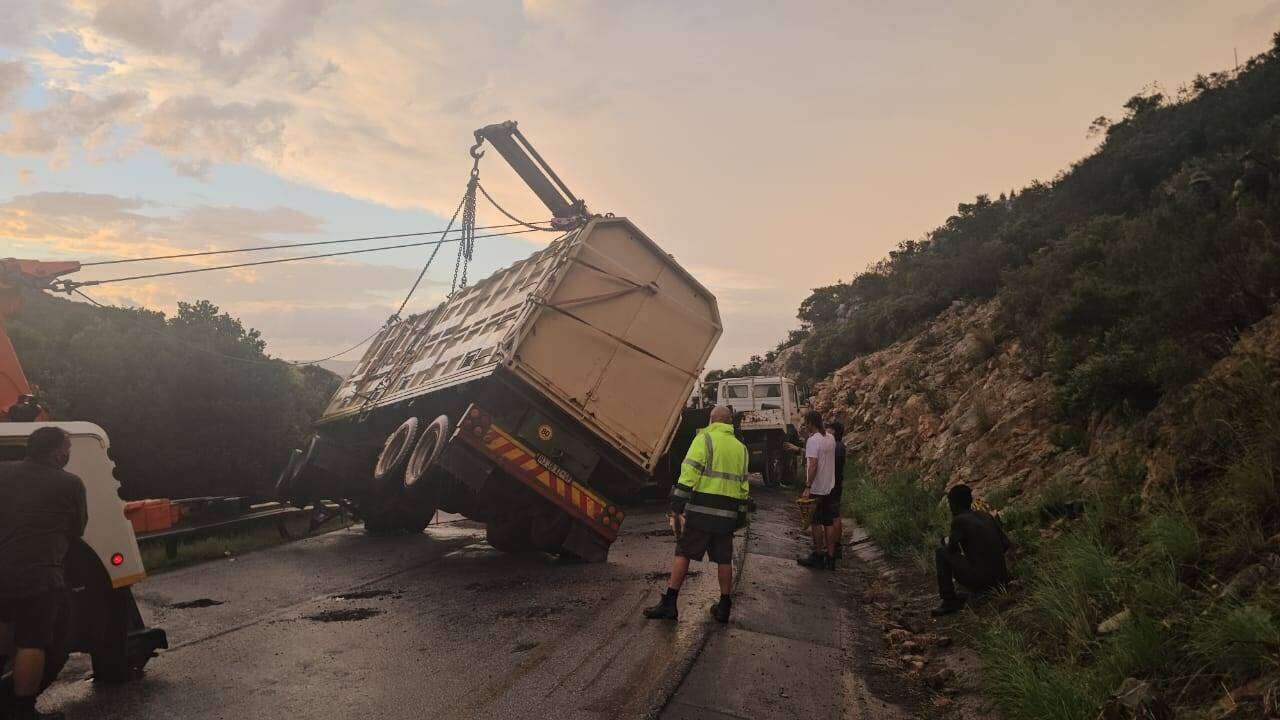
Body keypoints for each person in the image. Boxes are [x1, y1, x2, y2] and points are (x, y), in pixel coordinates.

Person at [0, 427, 87, 720]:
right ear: (58, 453)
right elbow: (77, 531)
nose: (68, 454)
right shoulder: (70, 484)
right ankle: (22, 711)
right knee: (31, 642)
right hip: (38, 577)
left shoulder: (2, 472)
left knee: (2, 632)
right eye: (67, 449)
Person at [644, 405, 749, 623]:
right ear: (729, 423)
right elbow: (743, 484)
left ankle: (670, 603)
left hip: (702, 510)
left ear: (712, 420)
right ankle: (724, 606)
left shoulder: (705, 439)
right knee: (724, 559)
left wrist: (677, 502)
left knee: (683, 552)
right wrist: (740, 512)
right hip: (728, 513)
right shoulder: (741, 448)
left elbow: (690, 470)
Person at [931, 484, 1011, 616]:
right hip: (1001, 578)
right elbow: (1005, 544)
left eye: (950, 504)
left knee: (941, 552)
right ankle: (985, 583)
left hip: (983, 579)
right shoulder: (986, 516)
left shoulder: (959, 520)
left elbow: (951, 549)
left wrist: (945, 541)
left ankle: (949, 601)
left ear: (955, 504)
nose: (950, 508)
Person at [797, 411, 838, 570]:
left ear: (810, 423)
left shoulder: (813, 441)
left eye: (806, 422)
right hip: (830, 486)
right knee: (828, 523)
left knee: (815, 523)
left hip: (817, 488)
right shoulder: (830, 438)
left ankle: (818, 555)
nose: (805, 426)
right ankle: (831, 557)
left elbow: (813, 465)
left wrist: (808, 486)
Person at [827, 420, 846, 560]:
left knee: (833, 517)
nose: (826, 431)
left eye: (829, 429)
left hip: (833, 486)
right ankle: (836, 545)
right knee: (836, 515)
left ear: (834, 431)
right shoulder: (839, 446)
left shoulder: (837, 448)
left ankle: (835, 546)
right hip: (836, 485)